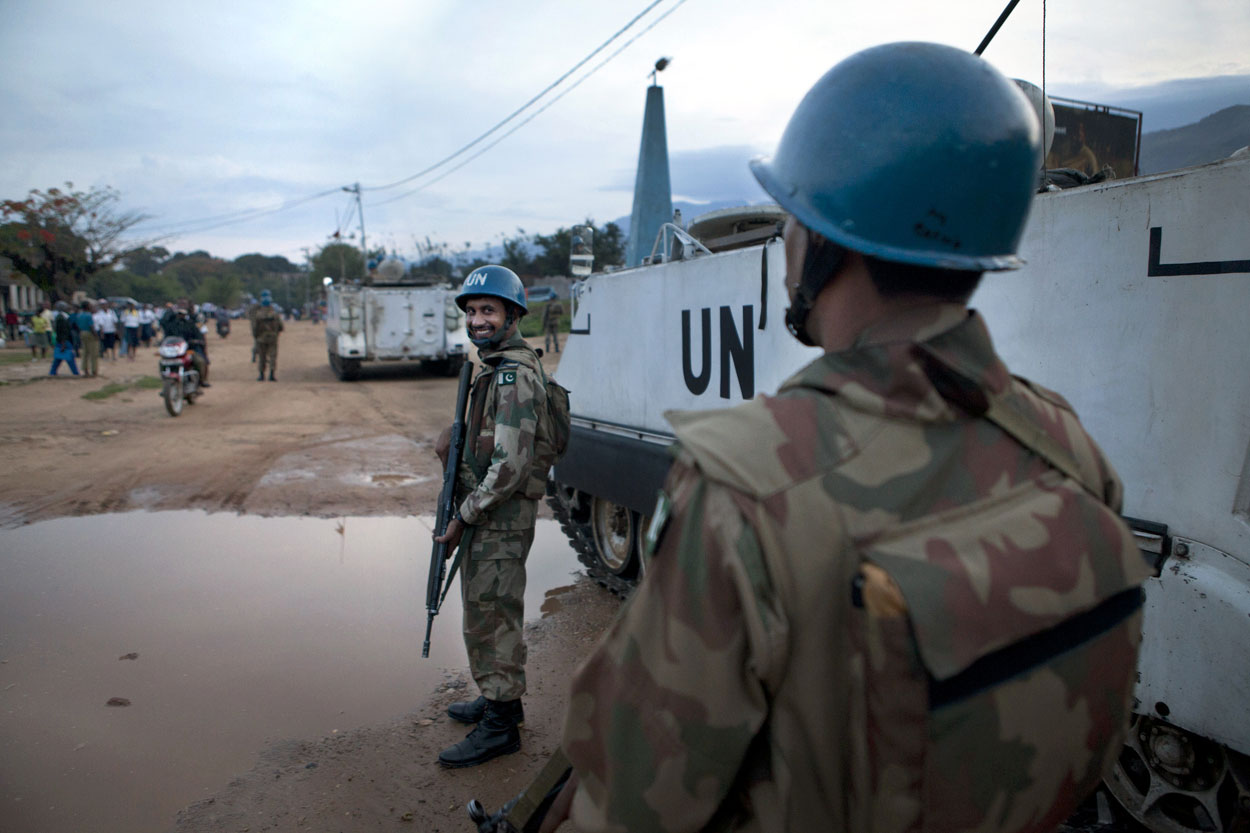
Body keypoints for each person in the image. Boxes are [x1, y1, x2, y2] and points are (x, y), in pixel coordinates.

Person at [541, 42, 1150, 833]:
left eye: (794, 216)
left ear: (829, 239)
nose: (786, 239)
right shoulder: (1063, 439)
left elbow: (634, 805)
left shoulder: (746, 488)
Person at [432, 265, 554, 769]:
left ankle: (501, 728)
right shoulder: (496, 365)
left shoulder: (512, 375)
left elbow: (510, 465)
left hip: (498, 515)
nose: (478, 320)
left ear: (512, 315)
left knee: (492, 612)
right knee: (488, 610)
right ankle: (501, 700)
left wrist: (463, 515)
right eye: (472, 311)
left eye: (489, 310)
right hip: (492, 513)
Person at [164, 303, 210, 387]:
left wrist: (196, 341)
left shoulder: (191, 325)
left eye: (182, 314)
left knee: (200, 361)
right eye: (179, 314)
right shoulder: (172, 325)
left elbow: (198, 335)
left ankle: (202, 380)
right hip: (176, 350)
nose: (180, 316)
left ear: (185, 315)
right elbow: (167, 336)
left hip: (189, 349)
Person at [250, 289, 284, 381]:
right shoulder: (275, 313)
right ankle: (272, 375)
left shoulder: (258, 314)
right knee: (273, 356)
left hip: (261, 338)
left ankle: (261, 375)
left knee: (262, 356)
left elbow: (255, 327)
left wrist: (256, 336)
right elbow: (281, 327)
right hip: (273, 337)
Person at [48, 309, 80, 376]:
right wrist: (63, 343)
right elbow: (62, 332)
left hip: (61, 341)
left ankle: (52, 372)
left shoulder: (61, 317)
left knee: (58, 358)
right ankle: (75, 372)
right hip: (64, 341)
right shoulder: (61, 319)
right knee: (69, 357)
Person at [74, 301, 99, 377]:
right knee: (93, 353)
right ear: (87, 306)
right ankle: (94, 371)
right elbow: (91, 326)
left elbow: (77, 325)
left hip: (82, 333)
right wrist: (95, 335)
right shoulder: (89, 315)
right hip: (89, 333)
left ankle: (85, 370)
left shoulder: (79, 315)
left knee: (85, 352)